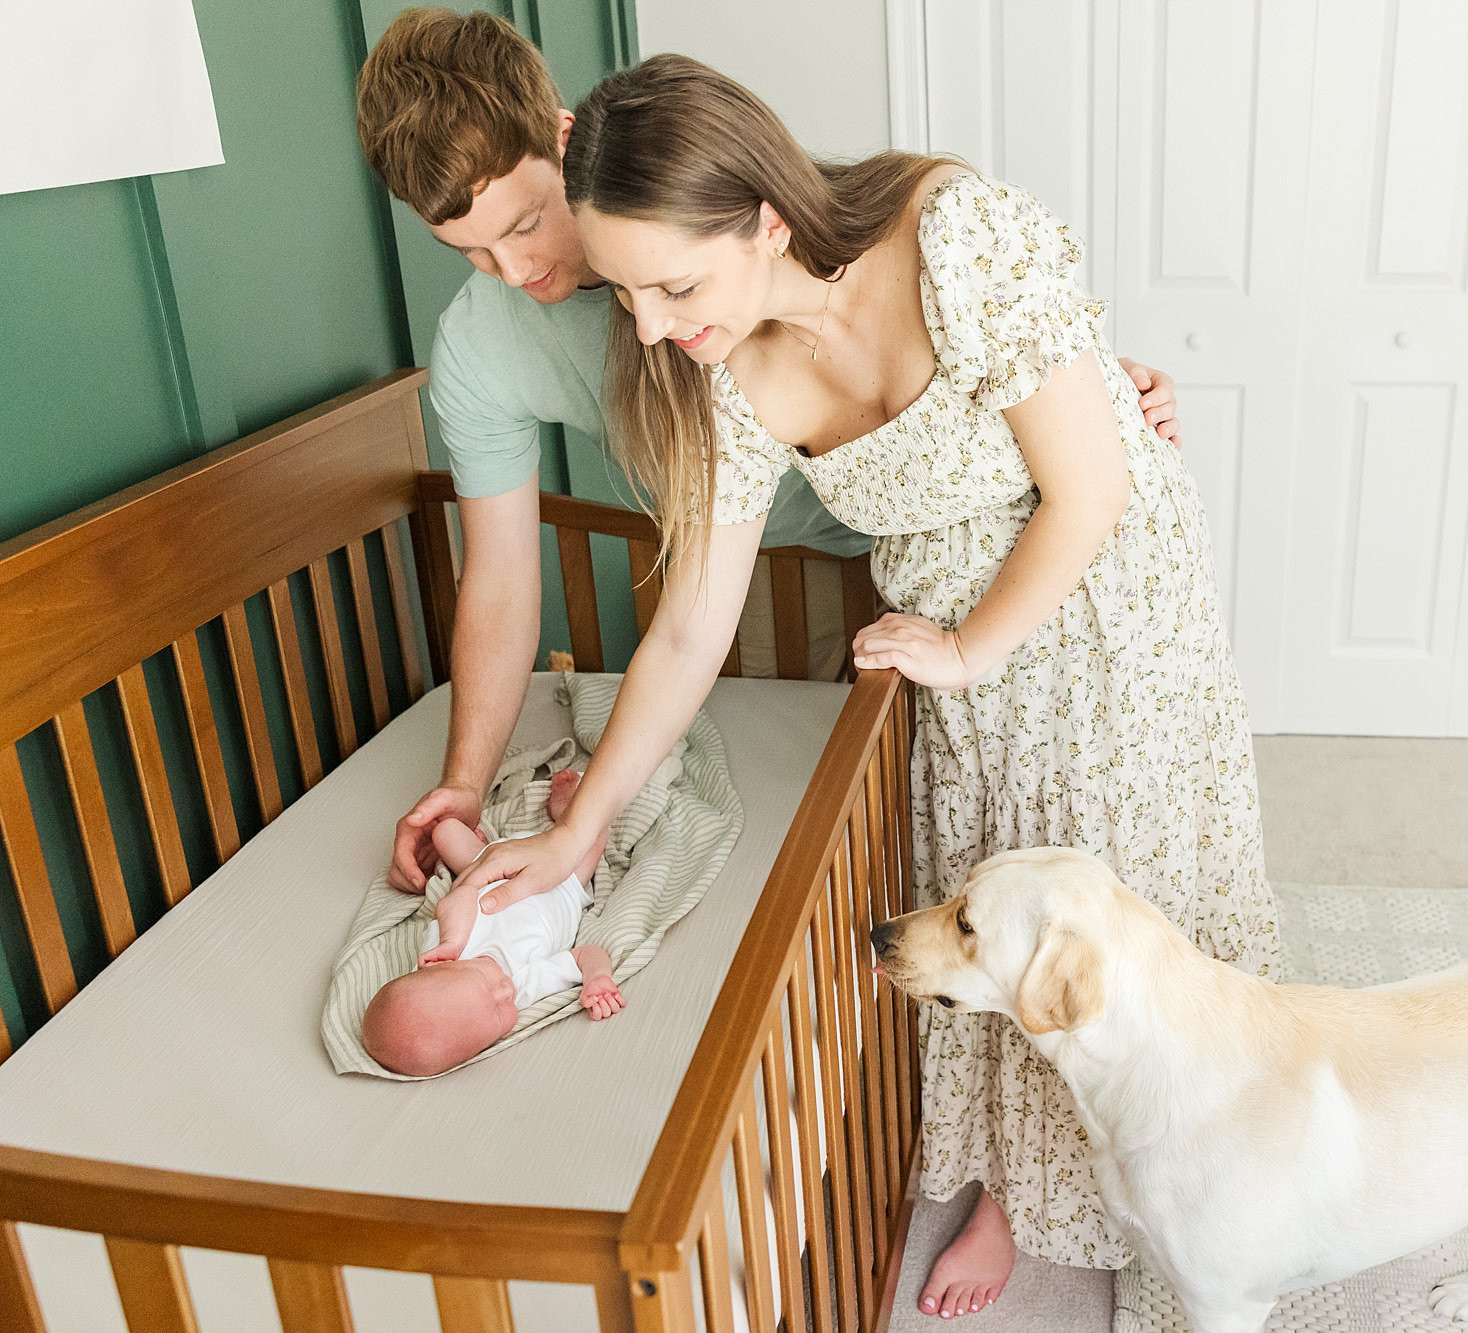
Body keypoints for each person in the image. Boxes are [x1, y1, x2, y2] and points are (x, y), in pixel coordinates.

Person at [447, 54, 1280, 1321]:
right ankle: (1018, 1180)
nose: (658, 326)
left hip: (1100, 592)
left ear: (766, 220)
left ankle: (1151, 1166)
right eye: (629, 296)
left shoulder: (951, 234)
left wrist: (966, 649)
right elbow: (688, 630)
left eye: (676, 284)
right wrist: (578, 829)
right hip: (953, 628)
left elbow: (1089, 489)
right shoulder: (726, 374)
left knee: (1119, 882)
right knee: (991, 891)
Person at [352, 10, 1185, 899]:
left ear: (568, 144)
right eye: (471, 253)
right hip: (856, 576)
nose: (515, 272)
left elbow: (971, 334)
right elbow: (657, 619)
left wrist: (1085, 391)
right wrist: (517, 805)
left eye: (522, 225)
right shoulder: (711, 361)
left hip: (1024, 581)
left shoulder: (788, 235)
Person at [362, 770, 623, 1077]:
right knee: (597, 830)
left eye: (487, 988)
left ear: (434, 966)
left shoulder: (444, 951)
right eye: (500, 1017)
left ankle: (510, 836)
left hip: (489, 865)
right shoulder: (524, 985)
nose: (504, 992)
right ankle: (565, 813)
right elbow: (585, 954)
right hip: (562, 879)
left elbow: (460, 897)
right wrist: (597, 978)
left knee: (445, 831)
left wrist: (453, 940)